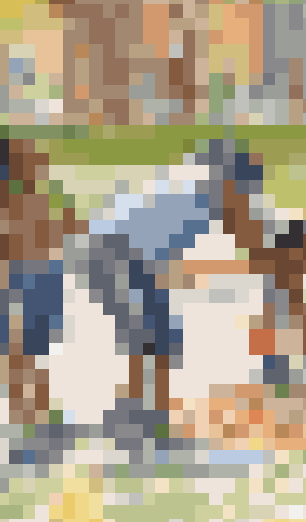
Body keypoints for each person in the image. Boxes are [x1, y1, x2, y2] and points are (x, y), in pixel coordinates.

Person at [71, 139, 282, 440]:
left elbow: (172, 261)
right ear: (226, 183)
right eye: (243, 190)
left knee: (155, 336)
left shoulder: (195, 195)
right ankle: (142, 416)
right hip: (114, 255)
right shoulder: (195, 202)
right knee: (153, 336)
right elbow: (166, 262)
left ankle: (143, 412)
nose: (245, 198)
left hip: (119, 254)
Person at [0, 137, 80, 434]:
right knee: (22, 351)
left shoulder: (21, 198)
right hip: (24, 275)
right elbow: (10, 239)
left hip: (35, 274)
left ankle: (34, 412)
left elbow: (62, 227)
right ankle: (27, 414)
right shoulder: (7, 201)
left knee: (30, 350)